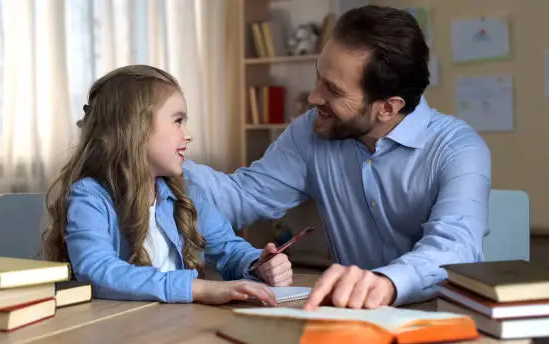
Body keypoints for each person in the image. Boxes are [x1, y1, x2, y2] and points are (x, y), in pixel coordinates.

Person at [183, 5, 491, 309]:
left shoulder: (458, 150)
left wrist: (387, 283)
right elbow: (240, 197)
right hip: (347, 317)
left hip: (437, 316)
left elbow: (454, 248)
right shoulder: (310, 132)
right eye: (319, 78)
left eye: (333, 90)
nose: (314, 97)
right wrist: (160, 157)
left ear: (387, 107)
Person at [42, 65, 293, 306]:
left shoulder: (186, 192)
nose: (188, 134)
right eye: (178, 121)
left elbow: (230, 249)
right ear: (136, 128)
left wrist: (258, 264)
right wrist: (196, 288)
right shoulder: (90, 197)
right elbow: (96, 271)